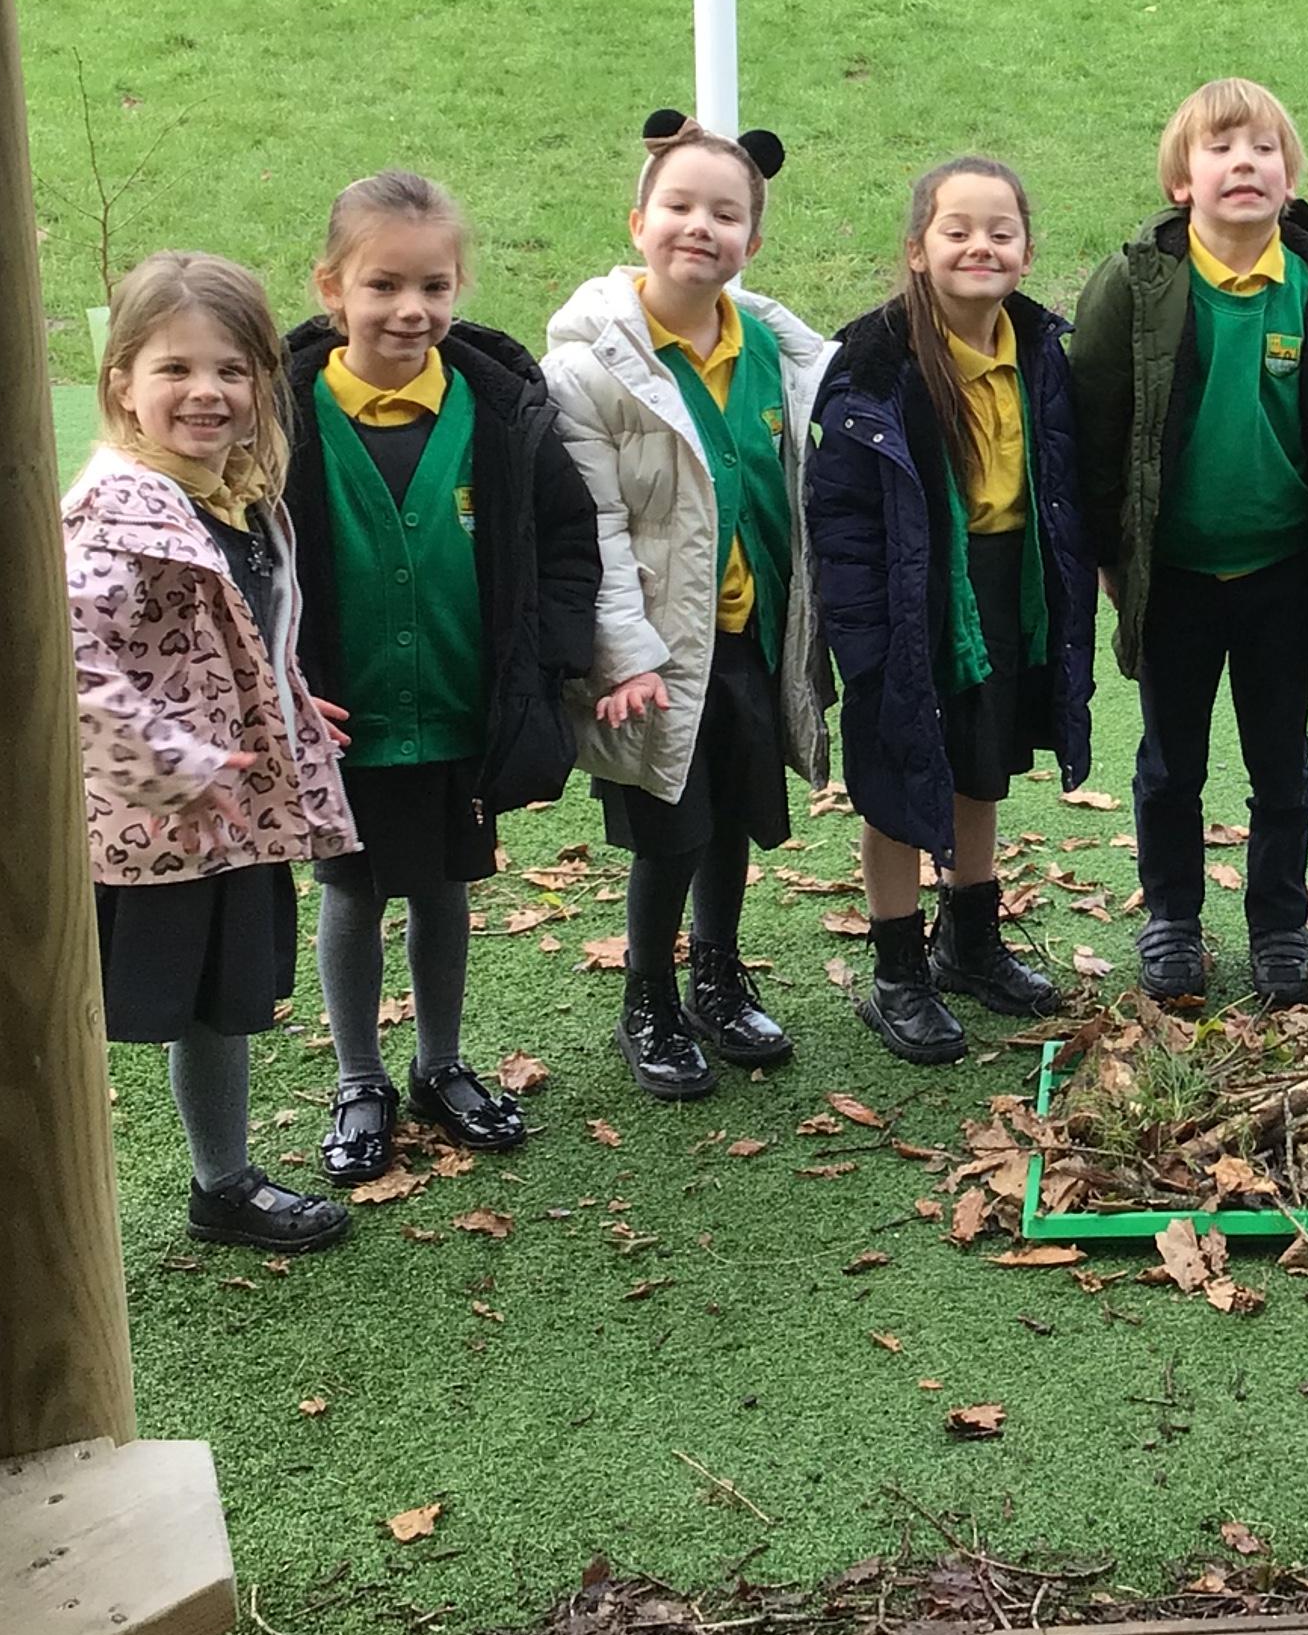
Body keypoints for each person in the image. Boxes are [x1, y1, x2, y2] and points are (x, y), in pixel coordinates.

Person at [287, 172, 597, 1181]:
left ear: (459, 286)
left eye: (433, 285)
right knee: (352, 889)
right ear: (332, 288)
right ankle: (359, 1078)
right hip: (343, 716)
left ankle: (440, 1064)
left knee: (446, 888)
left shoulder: (501, 414)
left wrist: (548, 661)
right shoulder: (279, 419)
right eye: (382, 285)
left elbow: (567, 539)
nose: (409, 309)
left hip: (464, 707)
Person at [1071, 81, 1308, 1008]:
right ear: (1182, 181)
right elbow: (1094, 425)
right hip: (1174, 572)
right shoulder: (1135, 285)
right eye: (1219, 149)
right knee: (1170, 763)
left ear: (1292, 179)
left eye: (1263, 149)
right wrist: (1110, 556)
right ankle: (1172, 919)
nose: (1244, 163)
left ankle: (1279, 927)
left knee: (1281, 765)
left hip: (1285, 572)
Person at [67, 252, 356, 1253]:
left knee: (219, 1005)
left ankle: (221, 1186)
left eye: (232, 370)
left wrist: (281, 694)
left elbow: (226, 630)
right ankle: (59, 1212)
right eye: (176, 369)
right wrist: (172, 764)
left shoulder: (232, 493)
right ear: (123, 386)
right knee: (108, 1007)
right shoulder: (117, 514)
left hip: (228, 813)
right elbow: (69, 662)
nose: (207, 392)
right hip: (159, 821)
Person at [546, 113, 835, 1099]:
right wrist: (624, 655)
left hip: (750, 638)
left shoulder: (777, 353)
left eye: (726, 213)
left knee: (735, 816)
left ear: (752, 239)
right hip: (659, 653)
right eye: (679, 206)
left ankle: (718, 973)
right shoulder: (590, 371)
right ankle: (650, 997)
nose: (700, 227)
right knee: (672, 828)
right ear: (639, 223)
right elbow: (597, 528)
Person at [809, 158, 1094, 1065]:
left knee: (982, 763)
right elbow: (841, 516)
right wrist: (864, 635)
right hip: (906, 595)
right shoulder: (871, 367)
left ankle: (970, 942)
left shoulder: (1044, 350)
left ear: (1027, 251)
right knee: (899, 773)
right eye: (957, 230)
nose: (981, 246)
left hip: (1004, 588)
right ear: (916, 250)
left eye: (1001, 232)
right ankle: (898, 971)